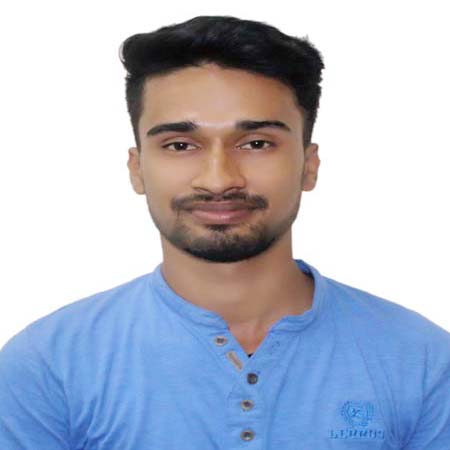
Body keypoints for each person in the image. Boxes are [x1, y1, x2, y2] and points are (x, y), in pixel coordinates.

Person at [1, 15, 449, 450]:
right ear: (137, 169)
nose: (218, 180)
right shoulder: (46, 366)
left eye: (256, 143)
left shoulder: (424, 361)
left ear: (308, 165)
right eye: (180, 145)